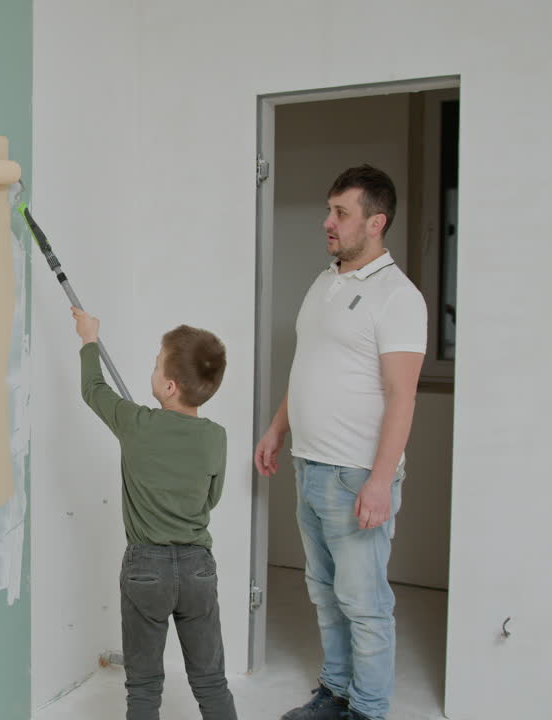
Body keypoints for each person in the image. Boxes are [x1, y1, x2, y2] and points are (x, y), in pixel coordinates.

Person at [255, 165, 427, 720]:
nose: (327, 222)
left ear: (375, 223)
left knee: (364, 603)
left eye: (341, 213)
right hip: (310, 464)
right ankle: (335, 692)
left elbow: (402, 396)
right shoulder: (324, 281)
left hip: (355, 475)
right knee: (324, 592)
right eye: (329, 211)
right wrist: (278, 428)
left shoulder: (398, 297)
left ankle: (368, 710)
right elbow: (309, 366)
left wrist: (380, 480)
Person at [72, 306, 238, 720]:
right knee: (211, 680)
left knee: (144, 686)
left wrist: (89, 338)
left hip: (146, 569)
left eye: (156, 362)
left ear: (168, 385)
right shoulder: (215, 437)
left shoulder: (136, 424)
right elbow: (211, 498)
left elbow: (93, 388)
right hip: (198, 569)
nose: (152, 368)